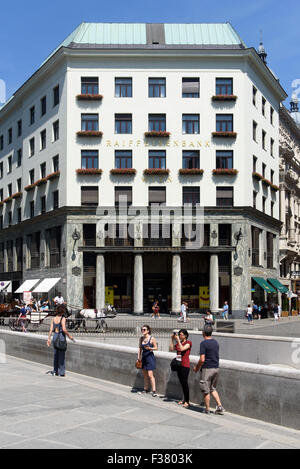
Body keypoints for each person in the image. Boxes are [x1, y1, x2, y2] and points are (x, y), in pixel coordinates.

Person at [193, 325, 224, 415]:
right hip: (216, 368)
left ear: (203, 333)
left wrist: (196, 368)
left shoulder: (204, 343)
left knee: (205, 390)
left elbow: (202, 359)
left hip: (207, 369)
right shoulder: (215, 342)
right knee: (212, 388)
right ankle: (219, 406)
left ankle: (207, 409)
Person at [47, 305, 74, 376]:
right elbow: (64, 329)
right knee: (61, 356)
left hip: (55, 337)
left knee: (56, 355)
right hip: (61, 337)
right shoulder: (63, 318)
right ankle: (61, 372)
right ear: (63, 311)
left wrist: (49, 339)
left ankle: (55, 371)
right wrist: (70, 336)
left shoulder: (54, 318)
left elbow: (50, 329)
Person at [169, 329, 192, 408]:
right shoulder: (179, 343)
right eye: (179, 335)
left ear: (185, 335)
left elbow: (182, 349)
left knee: (185, 383)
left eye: (181, 335)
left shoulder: (188, 343)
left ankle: (187, 401)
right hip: (178, 365)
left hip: (185, 365)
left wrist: (178, 340)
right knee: (182, 383)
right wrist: (172, 339)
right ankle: (183, 399)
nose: (179, 336)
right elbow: (171, 349)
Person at [137, 325, 158, 396]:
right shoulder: (141, 338)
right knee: (145, 375)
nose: (142, 331)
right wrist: (138, 357)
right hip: (144, 357)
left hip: (150, 357)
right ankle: (145, 389)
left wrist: (150, 348)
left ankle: (154, 390)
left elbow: (156, 348)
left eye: (144, 329)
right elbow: (140, 348)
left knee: (150, 375)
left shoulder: (152, 338)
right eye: (142, 329)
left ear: (148, 331)